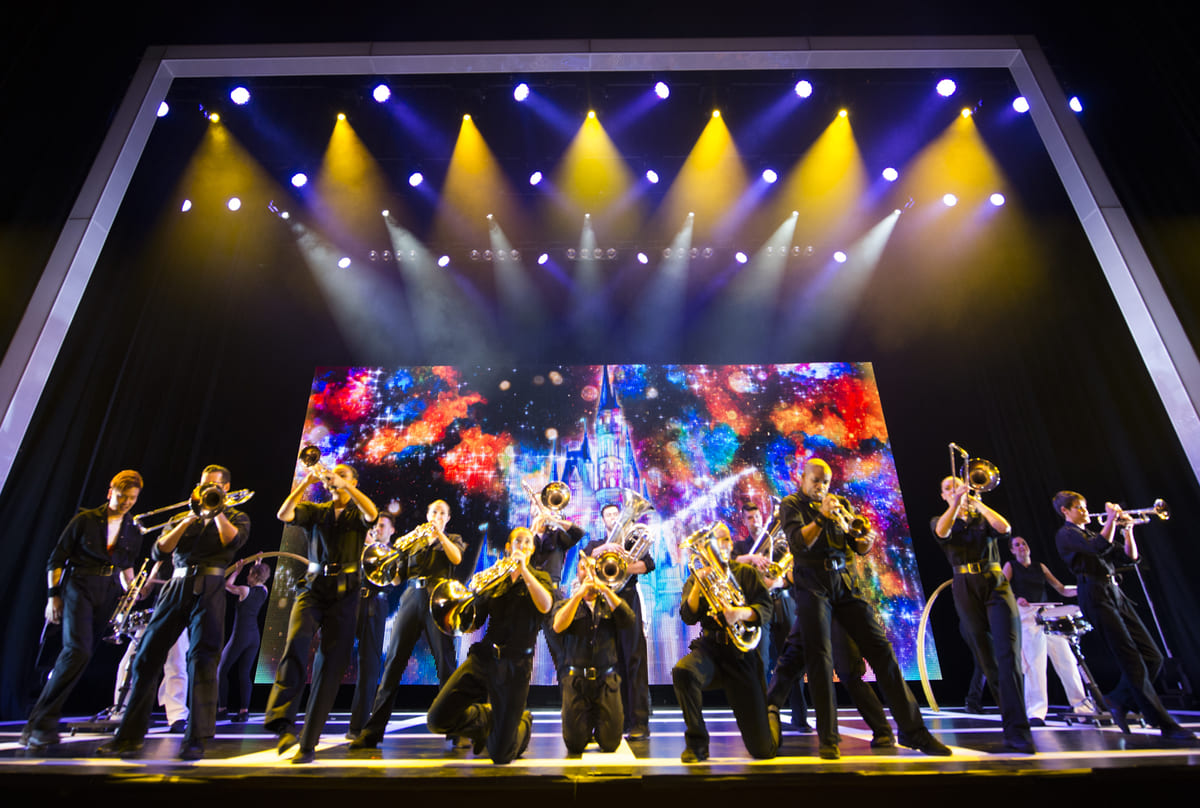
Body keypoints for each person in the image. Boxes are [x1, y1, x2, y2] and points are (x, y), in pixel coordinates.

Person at [784, 458, 951, 760]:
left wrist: (866, 541)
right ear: (802, 478)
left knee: (882, 652)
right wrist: (821, 517)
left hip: (845, 584)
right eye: (815, 480)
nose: (821, 486)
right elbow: (798, 544)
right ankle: (828, 739)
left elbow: (857, 547)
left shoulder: (841, 504)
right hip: (812, 585)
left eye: (825, 482)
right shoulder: (791, 504)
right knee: (820, 660)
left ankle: (914, 732)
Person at [98, 465, 250, 760]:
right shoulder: (182, 516)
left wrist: (216, 510)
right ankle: (128, 736)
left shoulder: (236, 516)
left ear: (226, 488)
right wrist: (190, 517)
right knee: (146, 657)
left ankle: (196, 739)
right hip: (177, 584)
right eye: (204, 485)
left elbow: (232, 541)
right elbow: (159, 551)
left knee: (203, 660)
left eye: (214, 486)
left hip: (211, 584)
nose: (208, 489)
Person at [1053, 491, 1194, 741]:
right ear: (1065, 511)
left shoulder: (1092, 533)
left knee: (1153, 656)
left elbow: (1130, 558)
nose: (1085, 511)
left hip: (1114, 592)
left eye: (1085, 507)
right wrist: (1110, 520)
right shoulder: (1066, 534)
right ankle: (1165, 724)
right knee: (1131, 659)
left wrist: (1127, 531)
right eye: (1079, 508)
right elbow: (1098, 548)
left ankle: (1118, 699)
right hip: (1094, 594)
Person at [264, 461, 378, 764]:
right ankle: (282, 724)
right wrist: (306, 482)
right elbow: (284, 514)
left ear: (353, 481)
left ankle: (308, 743)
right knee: (296, 644)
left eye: (343, 474)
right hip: (313, 587)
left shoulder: (356, 513)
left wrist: (346, 486)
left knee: (330, 665)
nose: (335, 478)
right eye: (333, 475)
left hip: (346, 593)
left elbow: (372, 514)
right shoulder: (316, 511)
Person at [22, 470, 144, 749]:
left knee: (81, 655)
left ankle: (39, 724)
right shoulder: (85, 520)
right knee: (77, 651)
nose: (127, 502)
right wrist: (53, 597)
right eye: (122, 496)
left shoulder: (133, 528)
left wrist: (134, 588)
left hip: (108, 590)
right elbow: (56, 559)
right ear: (110, 492)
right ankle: (41, 723)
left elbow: (126, 566)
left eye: (132, 498)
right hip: (79, 584)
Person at [426, 527, 553, 764]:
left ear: (532, 550)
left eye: (528, 543)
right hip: (484, 658)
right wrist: (466, 606)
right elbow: (475, 622)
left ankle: (523, 722)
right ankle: (487, 719)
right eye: (518, 542)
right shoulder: (495, 579)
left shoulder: (541, 578)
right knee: (437, 720)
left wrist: (524, 571)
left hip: (515, 666)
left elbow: (545, 606)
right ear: (509, 547)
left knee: (501, 755)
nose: (523, 546)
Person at [350, 500, 465, 750]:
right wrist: (387, 562)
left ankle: (456, 730)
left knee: (446, 664)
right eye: (433, 512)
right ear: (427, 514)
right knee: (393, 663)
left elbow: (455, 559)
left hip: (439, 600)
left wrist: (439, 535)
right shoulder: (414, 542)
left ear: (447, 518)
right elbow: (396, 579)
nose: (437, 516)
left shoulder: (453, 539)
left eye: (442, 513)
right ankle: (371, 732)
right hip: (412, 597)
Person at [933, 475, 1034, 753]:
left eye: (957, 485)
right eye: (948, 488)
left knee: (1008, 655)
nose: (954, 490)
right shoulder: (940, 519)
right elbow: (942, 532)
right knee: (987, 661)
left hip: (995, 582)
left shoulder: (981, 517)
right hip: (965, 586)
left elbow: (1005, 528)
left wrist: (977, 503)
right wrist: (956, 504)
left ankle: (1018, 730)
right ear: (943, 496)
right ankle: (1011, 724)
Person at [673, 522, 780, 763]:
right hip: (711, 650)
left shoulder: (746, 573)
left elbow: (766, 609)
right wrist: (697, 585)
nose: (725, 544)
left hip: (741, 655)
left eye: (727, 539)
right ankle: (697, 744)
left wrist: (739, 613)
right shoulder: (698, 577)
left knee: (763, 751)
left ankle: (772, 715)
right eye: (719, 539)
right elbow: (688, 616)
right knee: (683, 672)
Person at [734, 501, 810, 731]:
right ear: (744, 521)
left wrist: (779, 581)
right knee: (762, 661)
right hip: (759, 605)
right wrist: (751, 559)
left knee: (791, 658)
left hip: (782, 601)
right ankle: (762, 715)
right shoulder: (741, 547)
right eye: (749, 518)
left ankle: (800, 717)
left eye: (757, 516)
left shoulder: (777, 544)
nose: (755, 521)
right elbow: (730, 564)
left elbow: (792, 568)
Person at [1002, 535, 1092, 724]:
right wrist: (1016, 598)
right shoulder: (1011, 566)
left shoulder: (1040, 567)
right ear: (1012, 550)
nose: (1022, 547)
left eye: (1024, 543)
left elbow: (1061, 588)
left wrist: (1084, 588)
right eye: (1017, 545)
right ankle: (1036, 712)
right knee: (1035, 663)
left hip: (1048, 613)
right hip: (1027, 614)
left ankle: (1082, 706)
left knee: (1067, 661)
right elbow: (1001, 588)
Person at [552, 557, 635, 755]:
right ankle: (586, 725)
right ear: (577, 574)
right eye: (583, 568)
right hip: (576, 681)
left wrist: (605, 589)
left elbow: (629, 620)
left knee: (610, 744)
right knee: (574, 745)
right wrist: (579, 595)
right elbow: (557, 626)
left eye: (592, 568)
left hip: (606, 680)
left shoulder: (609, 604)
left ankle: (598, 725)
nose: (588, 572)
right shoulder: (566, 604)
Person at [586, 501, 653, 740]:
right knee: (606, 660)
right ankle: (612, 719)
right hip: (603, 602)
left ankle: (639, 722)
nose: (614, 517)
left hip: (627, 599)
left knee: (634, 659)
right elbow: (586, 562)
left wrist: (623, 565)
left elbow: (648, 565)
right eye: (609, 515)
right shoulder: (595, 544)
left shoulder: (632, 541)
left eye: (616, 513)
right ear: (603, 520)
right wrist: (604, 550)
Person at [348, 513, 394, 739]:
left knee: (369, 665)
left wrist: (373, 550)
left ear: (392, 531)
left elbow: (394, 579)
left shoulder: (393, 553)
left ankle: (357, 726)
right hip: (351, 601)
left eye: (383, 526)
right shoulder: (361, 547)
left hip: (375, 605)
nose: (377, 529)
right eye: (375, 525)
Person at [217, 555, 270, 723]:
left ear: (255, 575)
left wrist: (236, 571)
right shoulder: (264, 590)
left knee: (221, 670)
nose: (247, 576)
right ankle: (244, 711)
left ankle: (222, 709)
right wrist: (257, 564)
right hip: (254, 637)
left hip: (241, 636)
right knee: (244, 673)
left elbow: (226, 585)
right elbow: (259, 579)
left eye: (249, 574)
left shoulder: (244, 590)